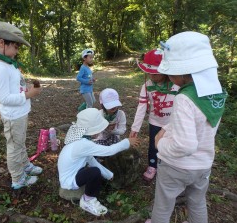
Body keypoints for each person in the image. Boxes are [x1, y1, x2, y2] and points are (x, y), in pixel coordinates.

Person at [146, 31, 227, 223]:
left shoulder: (184, 98)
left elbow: (185, 145)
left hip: (176, 166)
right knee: (197, 202)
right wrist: (168, 127)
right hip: (203, 165)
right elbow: (201, 125)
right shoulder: (216, 93)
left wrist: (160, 143)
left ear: (182, 72)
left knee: (163, 204)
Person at [0, 21, 43, 189]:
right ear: (2, 43)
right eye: (15, 47)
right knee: (14, 147)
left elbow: (14, 88)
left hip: (20, 113)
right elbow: (5, 98)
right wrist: (27, 95)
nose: (16, 51)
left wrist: (25, 89)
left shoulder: (7, 63)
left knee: (20, 142)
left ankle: (25, 165)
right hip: (13, 116)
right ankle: (18, 178)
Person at [58, 108, 138, 216]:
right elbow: (109, 151)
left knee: (94, 166)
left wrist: (108, 174)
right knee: (94, 172)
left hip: (71, 173)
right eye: (99, 129)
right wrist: (127, 142)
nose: (100, 132)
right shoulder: (83, 144)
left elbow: (90, 159)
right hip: (69, 180)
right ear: (93, 130)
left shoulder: (80, 139)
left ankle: (89, 191)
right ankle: (87, 200)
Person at [129, 49, 179, 181]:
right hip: (155, 122)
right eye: (149, 73)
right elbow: (141, 108)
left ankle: (169, 166)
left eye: (155, 74)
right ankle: (152, 165)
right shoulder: (146, 86)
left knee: (172, 145)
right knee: (153, 145)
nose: (152, 77)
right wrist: (135, 129)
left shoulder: (176, 86)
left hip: (172, 122)